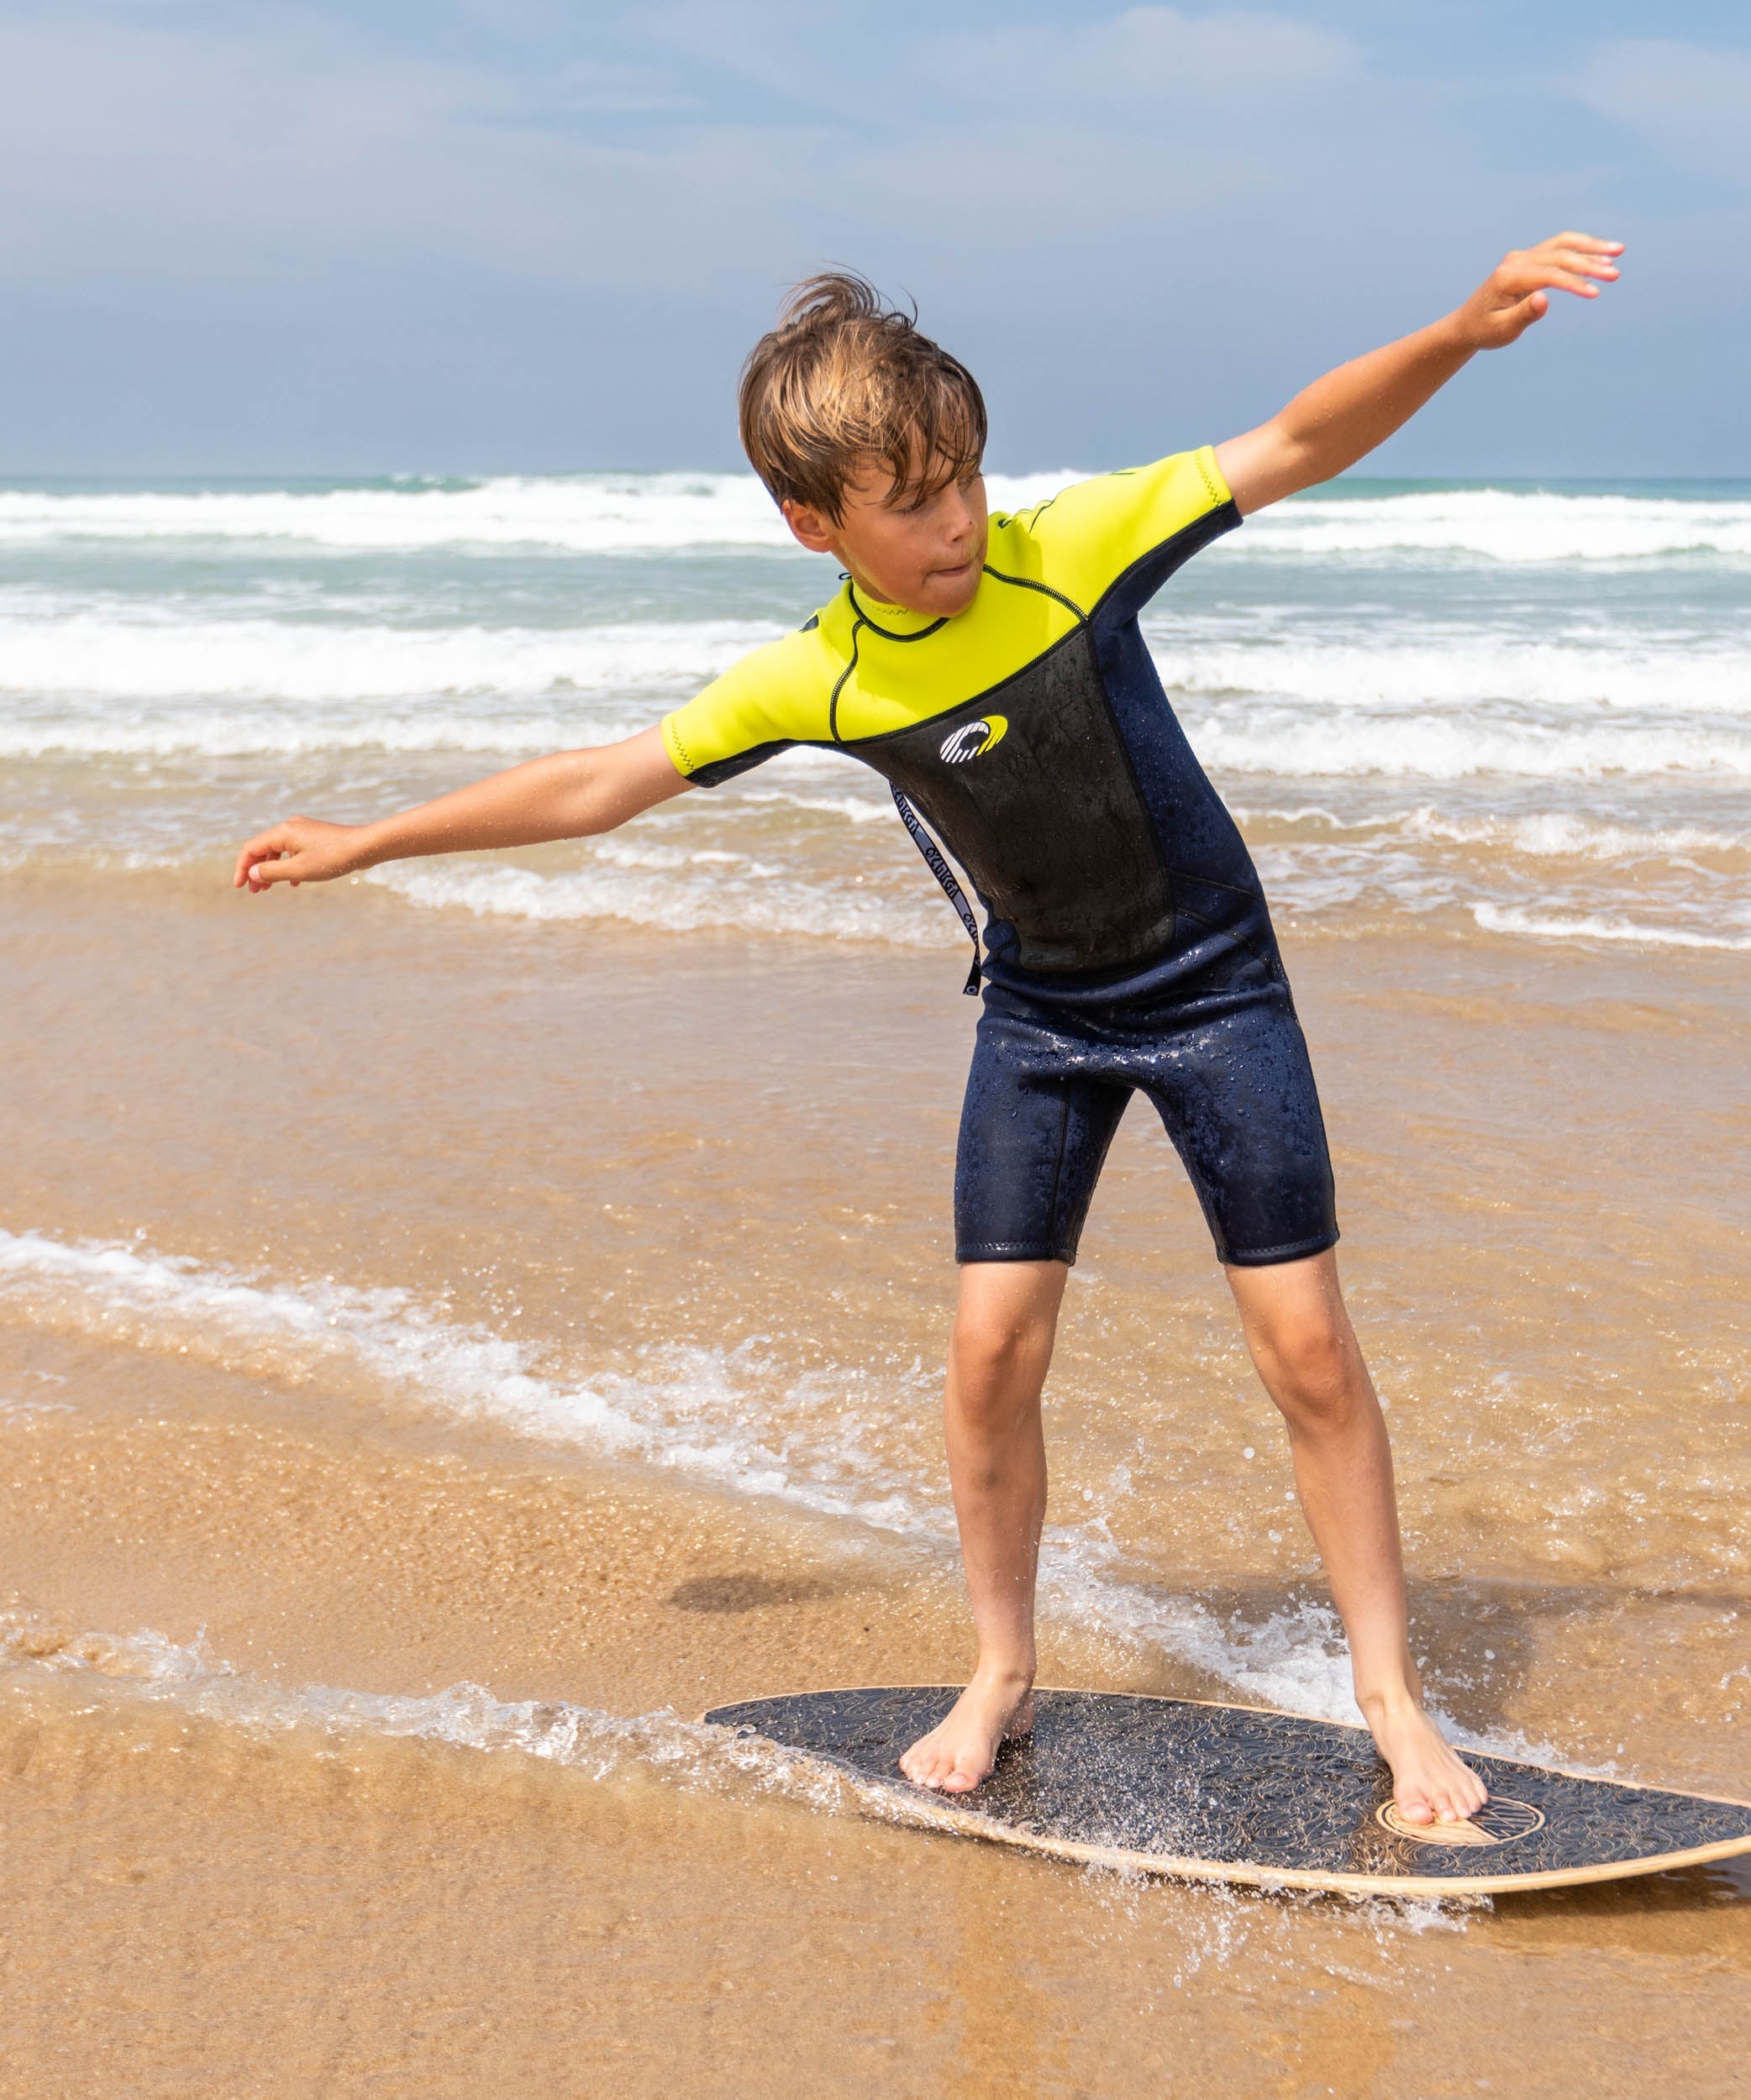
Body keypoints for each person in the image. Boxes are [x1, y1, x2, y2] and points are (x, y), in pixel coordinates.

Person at [235, 233, 1622, 1824]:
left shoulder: (1070, 546)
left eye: (966, 477)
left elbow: (1300, 438)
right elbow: (599, 785)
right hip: (1043, 1013)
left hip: (1216, 987)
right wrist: (368, 841)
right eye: (914, 501)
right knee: (986, 1358)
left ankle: (1390, 1696)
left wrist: (1455, 329)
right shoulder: (820, 676)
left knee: (1305, 1346)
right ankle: (1001, 1667)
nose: (959, 519)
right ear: (813, 524)